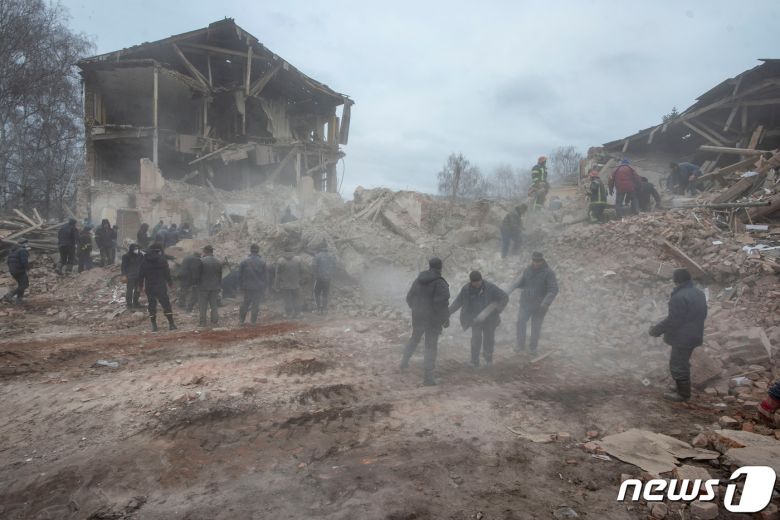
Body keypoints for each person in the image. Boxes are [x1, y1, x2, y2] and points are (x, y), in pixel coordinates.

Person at [649, 268, 707, 402]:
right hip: (695, 334)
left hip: (683, 337)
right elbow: (703, 314)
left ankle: (683, 394)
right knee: (682, 362)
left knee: (678, 364)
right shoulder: (699, 293)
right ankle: (680, 388)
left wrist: (656, 330)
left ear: (677, 280)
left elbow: (673, 321)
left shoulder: (679, 297)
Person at [400, 257, 450, 386]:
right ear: (440, 267)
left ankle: (404, 362)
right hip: (433, 320)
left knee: (414, 338)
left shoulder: (418, 280)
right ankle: (428, 378)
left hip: (418, 316)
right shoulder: (440, 283)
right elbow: (442, 303)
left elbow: (409, 298)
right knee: (431, 346)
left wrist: (416, 310)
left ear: (429, 266)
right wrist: (445, 319)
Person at [448, 271, 508, 368]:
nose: (476, 284)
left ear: (481, 280)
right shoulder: (466, 289)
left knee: (489, 339)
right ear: (471, 282)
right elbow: (458, 302)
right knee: (475, 339)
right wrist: (448, 312)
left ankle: (488, 361)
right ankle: (474, 361)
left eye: (478, 282)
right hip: (475, 319)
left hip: (490, 318)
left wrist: (498, 309)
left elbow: (504, 297)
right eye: (474, 283)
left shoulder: (490, 288)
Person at [509, 252, 558, 356]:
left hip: (540, 306)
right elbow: (517, 283)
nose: (536, 263)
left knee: (536, 326)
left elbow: (553, 290)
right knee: (520, 322)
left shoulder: (549, 273)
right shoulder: (527, 270)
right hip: (525, 303)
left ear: (542, 261)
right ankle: (520, 344)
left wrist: (545, 303)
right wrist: (506, 292)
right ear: (532, 260)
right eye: (534, 261)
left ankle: (533, 348)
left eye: (538, 261)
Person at [137, 242, 176, 331]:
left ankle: (154, 326)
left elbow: (141, 275)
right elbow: (167, 273)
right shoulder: (162, 260)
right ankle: (171, 324)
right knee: (165, 303)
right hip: (160, 285)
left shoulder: (144, 260)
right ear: (158, 251)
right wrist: (170, 283)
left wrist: (140, 286)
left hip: (149, 286)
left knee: (152, 304)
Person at [238, 244, 267, 325]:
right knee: (255, 304)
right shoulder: (262, 262)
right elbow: (265, 277)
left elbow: (239, 276)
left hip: (247, 287)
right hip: (258, 287)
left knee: (245, 304)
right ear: (258, 251)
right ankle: (253, 322)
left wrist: (240, 287)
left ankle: (241, 321)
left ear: (250, 250)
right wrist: (264, 288)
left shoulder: (244, 261)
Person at [198, 245, 222, 327]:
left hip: (203, 287)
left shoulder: (201, 261)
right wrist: (219, 285)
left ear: (205, 251)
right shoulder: (218, 262)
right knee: (214, 305)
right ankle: (214, 322)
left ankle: (202, 322)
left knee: (203, 305)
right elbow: (220, 276)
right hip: (215, 287)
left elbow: (198, 274)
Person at [274, 252, 303, 318]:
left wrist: (276, 285)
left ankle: (288, 314)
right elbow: (302, 271)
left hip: (285, 284)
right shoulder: (298, 259)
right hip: (296, 283)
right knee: (296, 298)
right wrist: (300, 280)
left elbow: (277, 274)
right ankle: (298, 313)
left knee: (287, 299)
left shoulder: (280, 260)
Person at [4, 239, 30, 304]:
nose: (27, 245)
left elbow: (8, 262)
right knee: (25, 285)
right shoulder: (22, 250)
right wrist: (27, 268)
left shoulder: (12, 250)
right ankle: (10, 295)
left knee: (21, 285)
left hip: (13, 271)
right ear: (24, 244)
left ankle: (19, 300)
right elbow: (24, 262)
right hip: (19, 270)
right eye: (27, 243)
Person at [313, 244, 337, 314]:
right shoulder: (332, 256)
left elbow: (314, 266)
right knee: (325, 293)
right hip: (328, 278)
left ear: (320, 249)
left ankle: (318, 309)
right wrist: (331, 274)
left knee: (317, 293)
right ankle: (325, 309)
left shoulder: (317, 256)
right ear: (327, 249)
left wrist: (316, 274)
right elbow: (334, 266)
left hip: (319, 278)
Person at [121, 243, 144, 309]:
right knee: (130, 291)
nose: (136, 250)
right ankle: (129, 305)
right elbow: (123, 267)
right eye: (135, 249)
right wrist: (124, 275)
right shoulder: (126, 256)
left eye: (137, 249)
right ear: (131, 249)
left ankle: (136, 303)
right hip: (130, 275)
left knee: (138, 290)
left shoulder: (140, 255)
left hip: (139, 275)